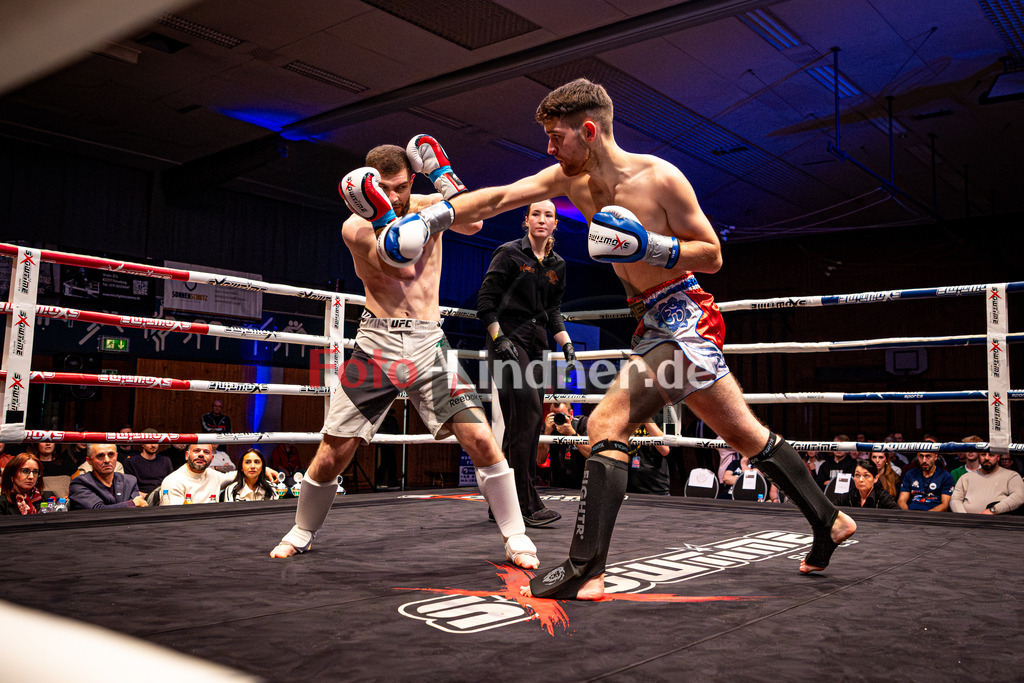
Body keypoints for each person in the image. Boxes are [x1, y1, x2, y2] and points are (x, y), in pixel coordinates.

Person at [391, 78, 855, 599]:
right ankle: (830, 520)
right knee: (745, 435)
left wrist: (652, 247)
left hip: (685, 317)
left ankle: (587, 568)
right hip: (651, 321)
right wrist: (425, 214)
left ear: (589, 131)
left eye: (556, 137)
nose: (550, 148)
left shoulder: (660, 178)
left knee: (605, 423)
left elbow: (712, 254)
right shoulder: (569, 181)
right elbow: (497, 198)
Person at [268, 136, 537, 569]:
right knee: (333, 452)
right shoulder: (355, 226)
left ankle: (516, 536)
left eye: (401, 187)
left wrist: (443, 178)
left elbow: (474, 225)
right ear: (368, 186)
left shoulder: (428, 201)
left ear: (412, 179)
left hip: (430, 343)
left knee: (482, 438)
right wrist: (399, 216)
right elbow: (403, 267)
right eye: (384, 189)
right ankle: (301, 531)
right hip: (376, 346)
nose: (394, 197)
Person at [476, 199, 575, 526]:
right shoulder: (508, 253)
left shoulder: (558, 264)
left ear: (555, 223)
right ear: (527, 220)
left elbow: (553, 311)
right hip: (507, 340)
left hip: (537, 343)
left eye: (549, 215)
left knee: (523, 422)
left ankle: (500, 502)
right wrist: (499, 338)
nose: (542, 219)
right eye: (536, 214)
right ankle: (525, 503)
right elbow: (485, 303)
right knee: (530, 415)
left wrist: (567, 343)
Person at [159, 444, 265, 505]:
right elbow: (174, 518)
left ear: (212, 458)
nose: (201, 455)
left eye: (206, 452)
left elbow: (237, 474)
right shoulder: (173, 481)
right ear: (187, 455)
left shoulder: (214, 475)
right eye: (196, 451)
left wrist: (264, 469)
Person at [68, 444, 148, 510]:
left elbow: (137, 509)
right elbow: (97, 510)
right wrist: (132, 504)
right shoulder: (79, 483)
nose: (107, 460)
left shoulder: (129, 481)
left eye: (111, 454)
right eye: (100, 456)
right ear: (89, 460)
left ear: (116, 456)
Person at [950, 450, 1024, 515]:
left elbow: (1018, 497)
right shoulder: (965, 477)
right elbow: (955, 499)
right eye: (983, 455)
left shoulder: (1011, 475)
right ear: (979, 456)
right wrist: (964, 517)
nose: (986, 458)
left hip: (997, 521)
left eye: (991, 455)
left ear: (998, 457)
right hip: (967, 521)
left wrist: (994, 510)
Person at [537, 402, 588, 490]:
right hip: (557, 486)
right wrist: (547, 432)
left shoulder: (582, 423)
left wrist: (572, 434)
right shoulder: (549, 427)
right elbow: (540, 459)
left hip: (581, 485)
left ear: (571, 414)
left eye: (561, 415)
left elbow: (589, 453)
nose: (558, 419)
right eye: (554, 415)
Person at [826, 458, 899, 509]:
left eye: (866, 476)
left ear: (875, 478)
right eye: (857, 475)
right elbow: (829, 510)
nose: (860, 480)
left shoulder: (884, 498)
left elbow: (898, 516)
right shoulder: (849, 496)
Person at [625, 421, 672, 496]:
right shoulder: (622, 417)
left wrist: (645, 418)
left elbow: (665, 449)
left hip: (655, 488)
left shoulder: (662, 417)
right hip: (626, 487)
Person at [123, 428, 174, 495]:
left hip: (162, 495)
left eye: (156, 442)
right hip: (139, 497)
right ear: (142, 444)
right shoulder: (131, 462)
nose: (153, 445)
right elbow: (129, 487)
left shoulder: (165, 460)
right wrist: (144, 496)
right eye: (149, 442)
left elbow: (171, 483)